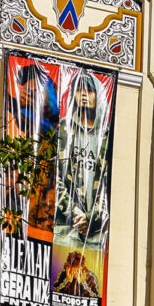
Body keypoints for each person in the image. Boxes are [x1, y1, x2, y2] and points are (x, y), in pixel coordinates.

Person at [54, 69, 111, 248]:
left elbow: (111, 185)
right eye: (79, 90)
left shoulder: (108, 136)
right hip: (65, 231)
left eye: (89, 90)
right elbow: (56, 177)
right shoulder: (64, 129)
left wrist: (92, 218)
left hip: (97, 236)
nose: (84, 95)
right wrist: (75, 212)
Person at [6, 61, 58, 234]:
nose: (27, 94)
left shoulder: (54, 129)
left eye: (35, 91)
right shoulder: (23, 125)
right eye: (25, 90)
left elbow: (44, 120)